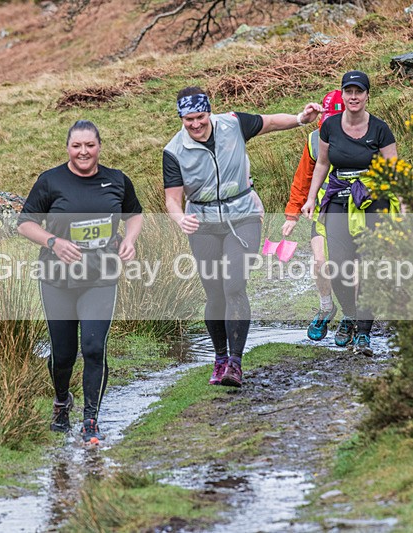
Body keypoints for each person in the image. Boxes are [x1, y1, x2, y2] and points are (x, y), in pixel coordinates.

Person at [164, 87, 322, 387]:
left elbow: (271, 122)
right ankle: (220, 358)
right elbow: (171, 198)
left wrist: (301, 118)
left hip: (245, 215)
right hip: (203, 223)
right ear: (181, 118)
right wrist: (179, 217)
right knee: (214, 293)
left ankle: (235, 364)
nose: (195, 124)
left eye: (199, 117)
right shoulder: (173, 151)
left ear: (209, 112)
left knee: (234, 285)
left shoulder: (233, 123)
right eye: (188, 120)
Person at [17, 120, 143, 443]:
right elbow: (24, 223)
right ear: (68, 148)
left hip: (100, 277)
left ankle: (90, 420)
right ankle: (61, 401)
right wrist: (53, 242)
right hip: (57, 279)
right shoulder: (51, 181)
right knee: (63, 354)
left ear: (99, 146)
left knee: (93, 347)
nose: (83, 151)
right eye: (77, 146)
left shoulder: (117, 181)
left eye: (90, 145)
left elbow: (135, 215)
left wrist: (129, 240)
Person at [301, 71, 400, 356]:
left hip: (372, 203)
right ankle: (351, 313)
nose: (353, 97)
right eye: (349, 91)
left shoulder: (380, 129)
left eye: (359, 91)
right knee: (341, 269)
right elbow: (321, 164)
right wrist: (310, 199)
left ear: (368, 95)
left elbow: (394, 171)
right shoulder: (330, 126)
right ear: (342, 95)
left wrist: (402, 202)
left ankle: (364, 335)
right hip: (337, 202)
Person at [282, 89, 344, 341]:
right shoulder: (314, 140)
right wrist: (292, 214)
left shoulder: (363, 135)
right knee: (320, 264)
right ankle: (327, 307)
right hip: (321, 214)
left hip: (353, 214)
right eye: (325, 118)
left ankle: (352, 318)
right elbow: (303, 179)